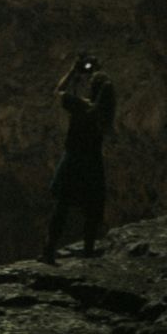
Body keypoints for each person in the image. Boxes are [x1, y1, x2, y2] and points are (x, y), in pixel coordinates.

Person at [42, 53, 115, 264]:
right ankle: (89, 251)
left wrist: (74, 72)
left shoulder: (80, 105)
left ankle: (49, 250)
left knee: (61, 207)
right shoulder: (102, 115)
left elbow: (59, 91)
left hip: (73, 160)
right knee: (92, 208)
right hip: (93, 163)